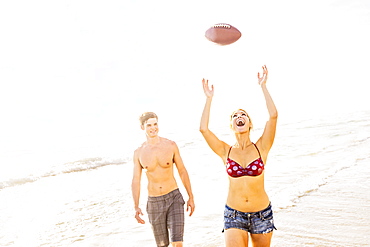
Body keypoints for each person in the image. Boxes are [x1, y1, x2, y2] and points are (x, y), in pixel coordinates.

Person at [199, 65, 278, 247]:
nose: (239, 116)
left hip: (261, 214)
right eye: (235, 115)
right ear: (232, 125)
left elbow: (273, 116)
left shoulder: (262, 147)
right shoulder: (225, 151)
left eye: (243, 115)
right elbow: (203, 129)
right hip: (234, 213)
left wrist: (263, 86)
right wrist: (208, 99)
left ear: (249, 124)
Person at [131, 112, 195, 247]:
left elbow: (182, 171)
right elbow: (136, 180)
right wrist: (136, 206)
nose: (153, 128)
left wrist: (190, 196)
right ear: (142, 127)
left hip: (174, 198)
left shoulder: (170, 145)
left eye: (155, 124)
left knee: (177, 243)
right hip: (154, 202)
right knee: (162, 245)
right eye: (149, 125)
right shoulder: (139, 152)